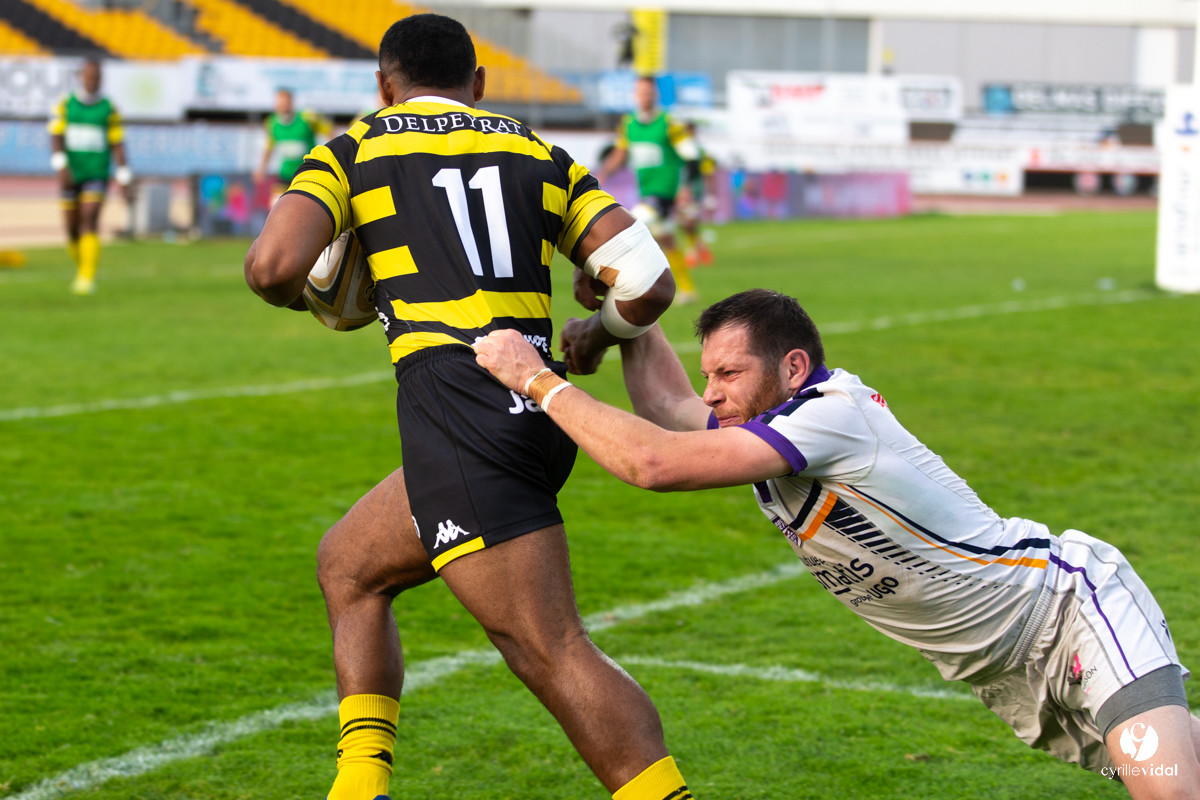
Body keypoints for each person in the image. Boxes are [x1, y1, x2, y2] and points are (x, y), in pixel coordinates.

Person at [474, 288, 1200, 799]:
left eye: (730, 374)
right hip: (1004, 675)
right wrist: (630, 307)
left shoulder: (831, 415)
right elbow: (667, 408)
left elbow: (654, 463)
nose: (713, 393)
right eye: (709, 375)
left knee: (1168, 790)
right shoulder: (766, 422)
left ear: (792, 369)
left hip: (1070, 611)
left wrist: (533, 378)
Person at [244, 14, 694, 800]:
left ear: (384, 85)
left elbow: (271, 267)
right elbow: (650, 283)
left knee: (549, 650)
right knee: (349, 566)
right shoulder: (539, 152)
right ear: (477, 84)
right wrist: (596, 332)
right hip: (531, 404)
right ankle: (359, 785)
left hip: (461, 411)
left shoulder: (354, 148)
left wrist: (323, 294)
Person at [596, 75, 702, 303]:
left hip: (665, 191)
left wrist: (685, 188)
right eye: (641, 93)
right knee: (666, 238)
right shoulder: (628, 124)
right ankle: (687, 289)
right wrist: (602, 174)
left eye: (649, 93)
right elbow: (620, 153)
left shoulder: (669, 123)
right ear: (635, 95)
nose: (645, 97)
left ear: (656, 95)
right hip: (646, 191)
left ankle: (623, 289)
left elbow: (691, 156)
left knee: (631, 224)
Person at [48, 58, 133, 295]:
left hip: (97, 172)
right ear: (81, 77)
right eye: (88, 76)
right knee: (71, 229)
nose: (92, 80)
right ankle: (83, 267)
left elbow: (117, 143)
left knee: (89, 220)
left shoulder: (109, 107)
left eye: (96, 77)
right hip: (71, 172)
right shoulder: (65, 104)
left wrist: (123, 175)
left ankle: (87, 277)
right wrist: (61, 165)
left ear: (101, 79)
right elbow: (55, 135)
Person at [253, 88, 330, 195]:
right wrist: (261, 169)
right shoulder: (272, 122)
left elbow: (328, 131)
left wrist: (330, 158)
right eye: (280, 103)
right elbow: (268, 148)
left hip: (307, 172)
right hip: (285, 174)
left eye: (286, 103)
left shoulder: (307, 117)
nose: (283, 107)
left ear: (292, 103)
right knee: (277, 202)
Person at [676, 121, 717, 268]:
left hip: (693, 192)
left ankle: (691, 252)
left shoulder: (700, 152)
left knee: (689, 221)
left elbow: (708, 173)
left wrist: (711, 195)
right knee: (683, 223)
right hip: (676, 192)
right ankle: (701, 247)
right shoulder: (676, 150)